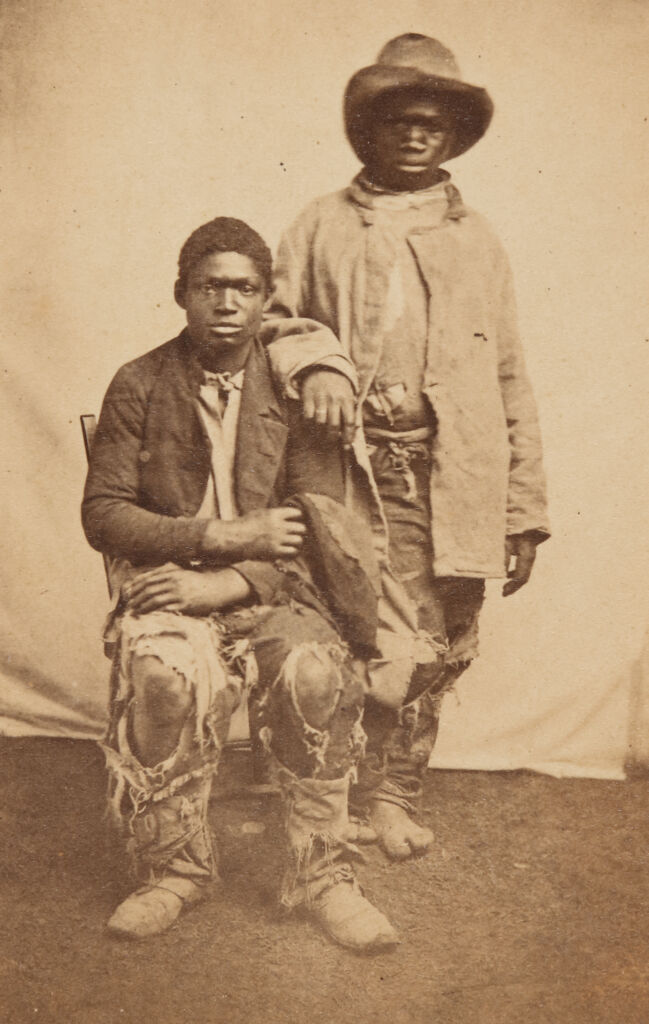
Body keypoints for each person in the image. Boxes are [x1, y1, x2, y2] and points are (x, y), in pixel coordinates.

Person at [81, 216, 400, 952]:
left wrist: (230, 580)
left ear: (266, 301)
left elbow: (317, 522)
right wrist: (211, 539)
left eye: (244, 287)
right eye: (209, 286)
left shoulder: (296, 387)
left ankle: (323, 876)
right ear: (181, 295)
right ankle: (175, 869)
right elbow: (103, 515)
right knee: (164, 674)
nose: (226, 301)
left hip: (278, 588)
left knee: (313, 673)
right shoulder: (138, 381)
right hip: (171, 583)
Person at [268, 34, 550, 862]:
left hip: (449, 473)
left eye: (433, 122)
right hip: (342, 467)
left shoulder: (477, 238)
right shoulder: (320, 223)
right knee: (348, 626)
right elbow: (273, 321)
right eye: (400, 120)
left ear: (453, 135)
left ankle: (392, 794)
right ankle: (333, 794)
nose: (417, 134)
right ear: (371, 128)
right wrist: (318, 359)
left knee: (435, 637)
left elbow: (507, 373)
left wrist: (522, 508)